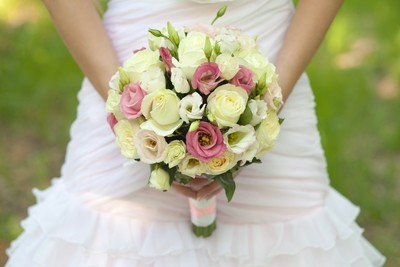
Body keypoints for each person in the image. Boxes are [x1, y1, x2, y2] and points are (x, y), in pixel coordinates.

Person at [6, 0, 386, 266]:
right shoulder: (124, 95)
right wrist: (127, 107)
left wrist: (265, 104)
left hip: (273, 57)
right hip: (124, 62)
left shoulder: (269, 93)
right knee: (107, 236)